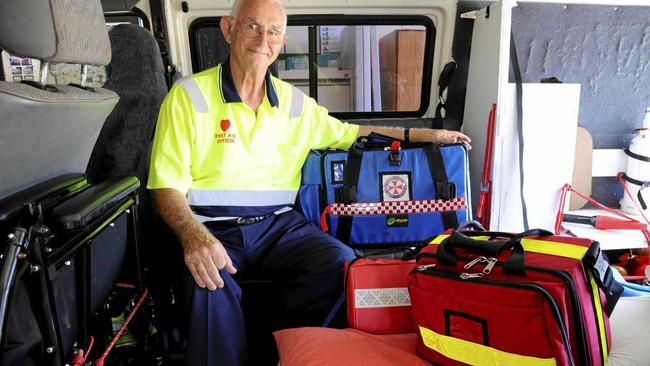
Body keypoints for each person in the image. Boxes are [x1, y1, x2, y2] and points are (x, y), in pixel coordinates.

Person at [147, 0, 471, 365]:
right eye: (252, 27)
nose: (262, 39)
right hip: (211, 224)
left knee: (340, 263)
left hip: (279, 225)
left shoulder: (294, 103)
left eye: (272, 32)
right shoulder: (188, 97)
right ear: (228, 29)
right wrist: (195, 238)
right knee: (207, 279)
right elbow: (166, 187)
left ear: (281, 43)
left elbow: (352, 133)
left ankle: (278, 347)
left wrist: (419, 133)